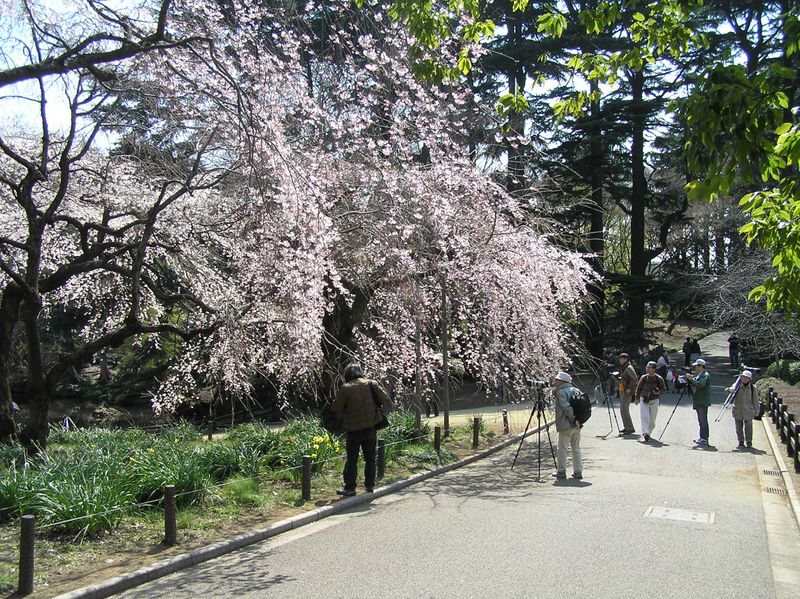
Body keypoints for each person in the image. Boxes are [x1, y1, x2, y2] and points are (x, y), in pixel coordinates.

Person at [331, 363, 390, 496]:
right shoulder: (371, 383)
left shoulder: (346, 388)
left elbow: (335, 407)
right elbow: (385, 398)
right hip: (370, 428)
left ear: (347, 374)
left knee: (352, 459)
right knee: (370, 458)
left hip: (353, 430)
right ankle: (370, 486)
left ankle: (350, 488)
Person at [552, 371, 582, 480]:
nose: (555, 381)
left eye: (557, 380)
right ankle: (578, 471)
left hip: (566, 424)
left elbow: (566, 408)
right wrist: (578, 420)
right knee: (576, 448)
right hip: (577, 425)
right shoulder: (576, 390)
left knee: (562, 449)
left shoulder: (561, 393)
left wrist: (573, 419)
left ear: (562, 381)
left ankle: (561, 471)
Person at [726, 370, 759, 449]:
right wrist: (729, 390)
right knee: (738, 428)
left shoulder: (753, 388)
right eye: (743, 377)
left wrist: (756, 410)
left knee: (749, 428)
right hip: (738, 410)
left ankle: (749, 442)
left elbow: (755, 400)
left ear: (749, 379)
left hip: (748, 410)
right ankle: (740, 441)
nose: (744, 379)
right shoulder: (736, 385)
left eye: (746, 377)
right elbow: (728, 392)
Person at [634, 361, 666, 442]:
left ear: (654, 369)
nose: (647, 369)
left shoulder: (659, 379)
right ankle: (645, 433)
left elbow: (663, 389)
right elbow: (638, 388)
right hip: (644, 399)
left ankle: (648, 432)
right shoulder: (643, 378)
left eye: (649, 367)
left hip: (654, 400)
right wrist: (637, 398)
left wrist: (658, 392)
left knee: (652, 420)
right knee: (644, 417)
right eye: (647, 367)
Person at [685, 358, 711, 446]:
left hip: (703, 400)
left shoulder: (705, 375)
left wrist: (691, 379)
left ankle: (704, 438)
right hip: (699, 400)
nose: (695, 368)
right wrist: (690, 379)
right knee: (700, 420)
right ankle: (702, 437)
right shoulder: (700, 374)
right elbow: (695, 381)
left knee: (703, 420)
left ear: (701, 366)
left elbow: (700, 384)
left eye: (696, 366)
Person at [618, 353, 638, 435]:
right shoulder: (625, 367)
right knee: (623, 410)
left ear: (626, 359)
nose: (620, 360)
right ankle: (627, 427)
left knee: (624, 409)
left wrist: (630, 388)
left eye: (622, 359)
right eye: (620, 359)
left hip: (627, 392)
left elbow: (635, 379)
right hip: (623, 390)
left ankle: (629, 428)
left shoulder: (629, 368)